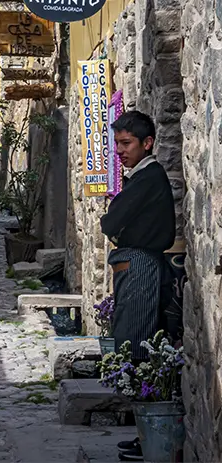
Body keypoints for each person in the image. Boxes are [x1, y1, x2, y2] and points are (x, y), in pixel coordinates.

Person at [99, 111, 175, 462]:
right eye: (117, 143)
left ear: (147, 144)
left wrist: (119, 230)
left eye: (126, 143)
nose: (120, 150)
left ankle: (148, 436)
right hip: (136, 267)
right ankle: (143, 434)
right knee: (133, 343)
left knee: (140, 345)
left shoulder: (149, 178)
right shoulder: (139, 178)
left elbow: (112, 221)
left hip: (143, 268)